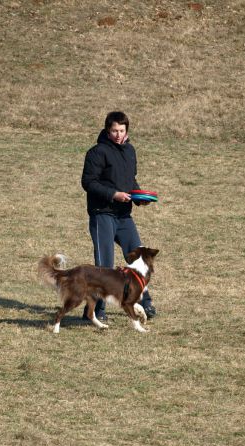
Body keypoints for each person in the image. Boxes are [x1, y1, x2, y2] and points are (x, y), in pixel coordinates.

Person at [81, 111, 156, 322]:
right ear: (107, 130)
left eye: (122, 130)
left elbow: (130, 181)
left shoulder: (130, 151)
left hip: (124, 215)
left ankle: (145, 301)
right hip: (102, 214)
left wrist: (139, 196)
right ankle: (96, 311)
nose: (118, 135)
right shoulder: (96, 153)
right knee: (104, 265)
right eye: (114, 130)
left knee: (139, 259)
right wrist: (113, 194)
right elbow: (89, 182)